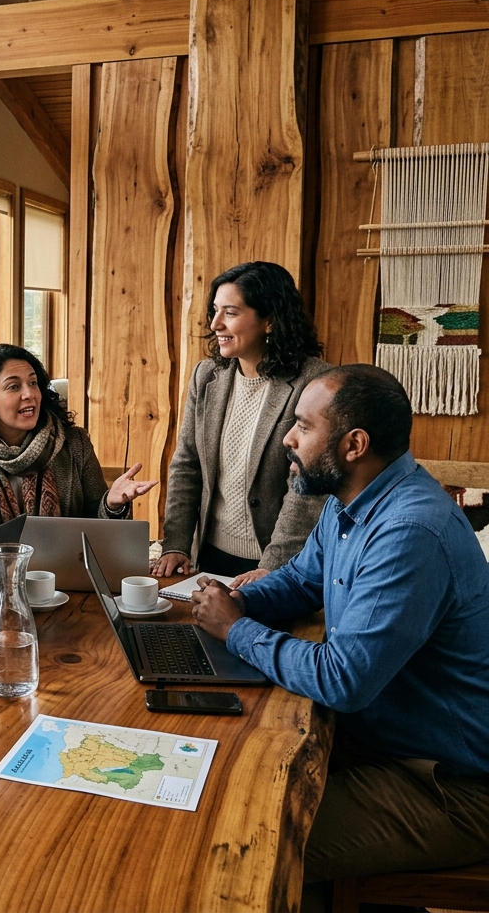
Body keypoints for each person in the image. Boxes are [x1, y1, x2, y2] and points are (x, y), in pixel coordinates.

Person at [191, 365, 489, 901]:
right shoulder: (351, 502)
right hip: (383, 743)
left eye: (303, 426)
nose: (288, 438)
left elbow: (344, 678)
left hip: (448, 786)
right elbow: (304, 580)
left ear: (353, 445)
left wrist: (236, 631)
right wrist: (235, 600)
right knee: (224, 770)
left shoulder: (409, 531)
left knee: (234, 839)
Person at [157, 261, 329, 582]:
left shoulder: (315, 382)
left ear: (269, 321)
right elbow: (187, 464)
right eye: (215, 311)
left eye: (230, 313)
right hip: (208, 556)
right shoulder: (205, 376)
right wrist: (176, 544)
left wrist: (273, 566)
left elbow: (306, 488)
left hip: (277, 561)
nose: (216, 324)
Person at [0, 344, 156, 556]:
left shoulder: (75, 443)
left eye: (33, 383)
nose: (29, 394)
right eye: (13, 386)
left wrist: (111, 505)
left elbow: (99, 529)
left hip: (64, 583)